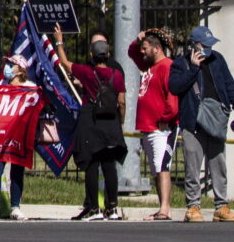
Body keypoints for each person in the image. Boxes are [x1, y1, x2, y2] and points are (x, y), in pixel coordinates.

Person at [168, 24, 234, 223]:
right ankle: (193, 207)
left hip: (215, 120)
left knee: (218, 164)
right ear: (194, 45)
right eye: (205, 45)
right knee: (193, 166)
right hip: (192, 121)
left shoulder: (218, 59)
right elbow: (174, 87)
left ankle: (221, 206)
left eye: (210, 44)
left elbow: (229, 85)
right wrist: (193, 69)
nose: (209, 48)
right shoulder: (181, 63)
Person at [55, 29, 126, 221]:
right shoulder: (117, 75)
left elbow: (64, 63)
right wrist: (121, 121)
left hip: (91, 122)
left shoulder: (87, 72)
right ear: (108, 55)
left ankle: (94, 208)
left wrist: (59, 42)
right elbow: (121, 101)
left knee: (92, 164)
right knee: (109, 164)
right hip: (111, 123)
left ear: (91, 55)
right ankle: (112, 208)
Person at [129, 28, 178, 221]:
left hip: (161, 128)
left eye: (145, 48)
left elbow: (172, 96)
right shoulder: (150, 66)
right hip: (148, 127)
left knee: (162, 167)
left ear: (157, 49)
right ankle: (161, 207)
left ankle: (165, 209)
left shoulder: (167, 66)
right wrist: (137, 39)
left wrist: (165, 117)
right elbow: (131, 53)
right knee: (155, 169)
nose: (142, 51)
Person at [0, 55, 33, 220]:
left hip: (20, 136)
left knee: (17, 171)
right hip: (1, 135)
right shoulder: (0, 85)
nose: (7, 66)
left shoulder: (30, 88)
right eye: (8, 63)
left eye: (11, 64)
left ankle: (16, 207)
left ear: (20, 69)